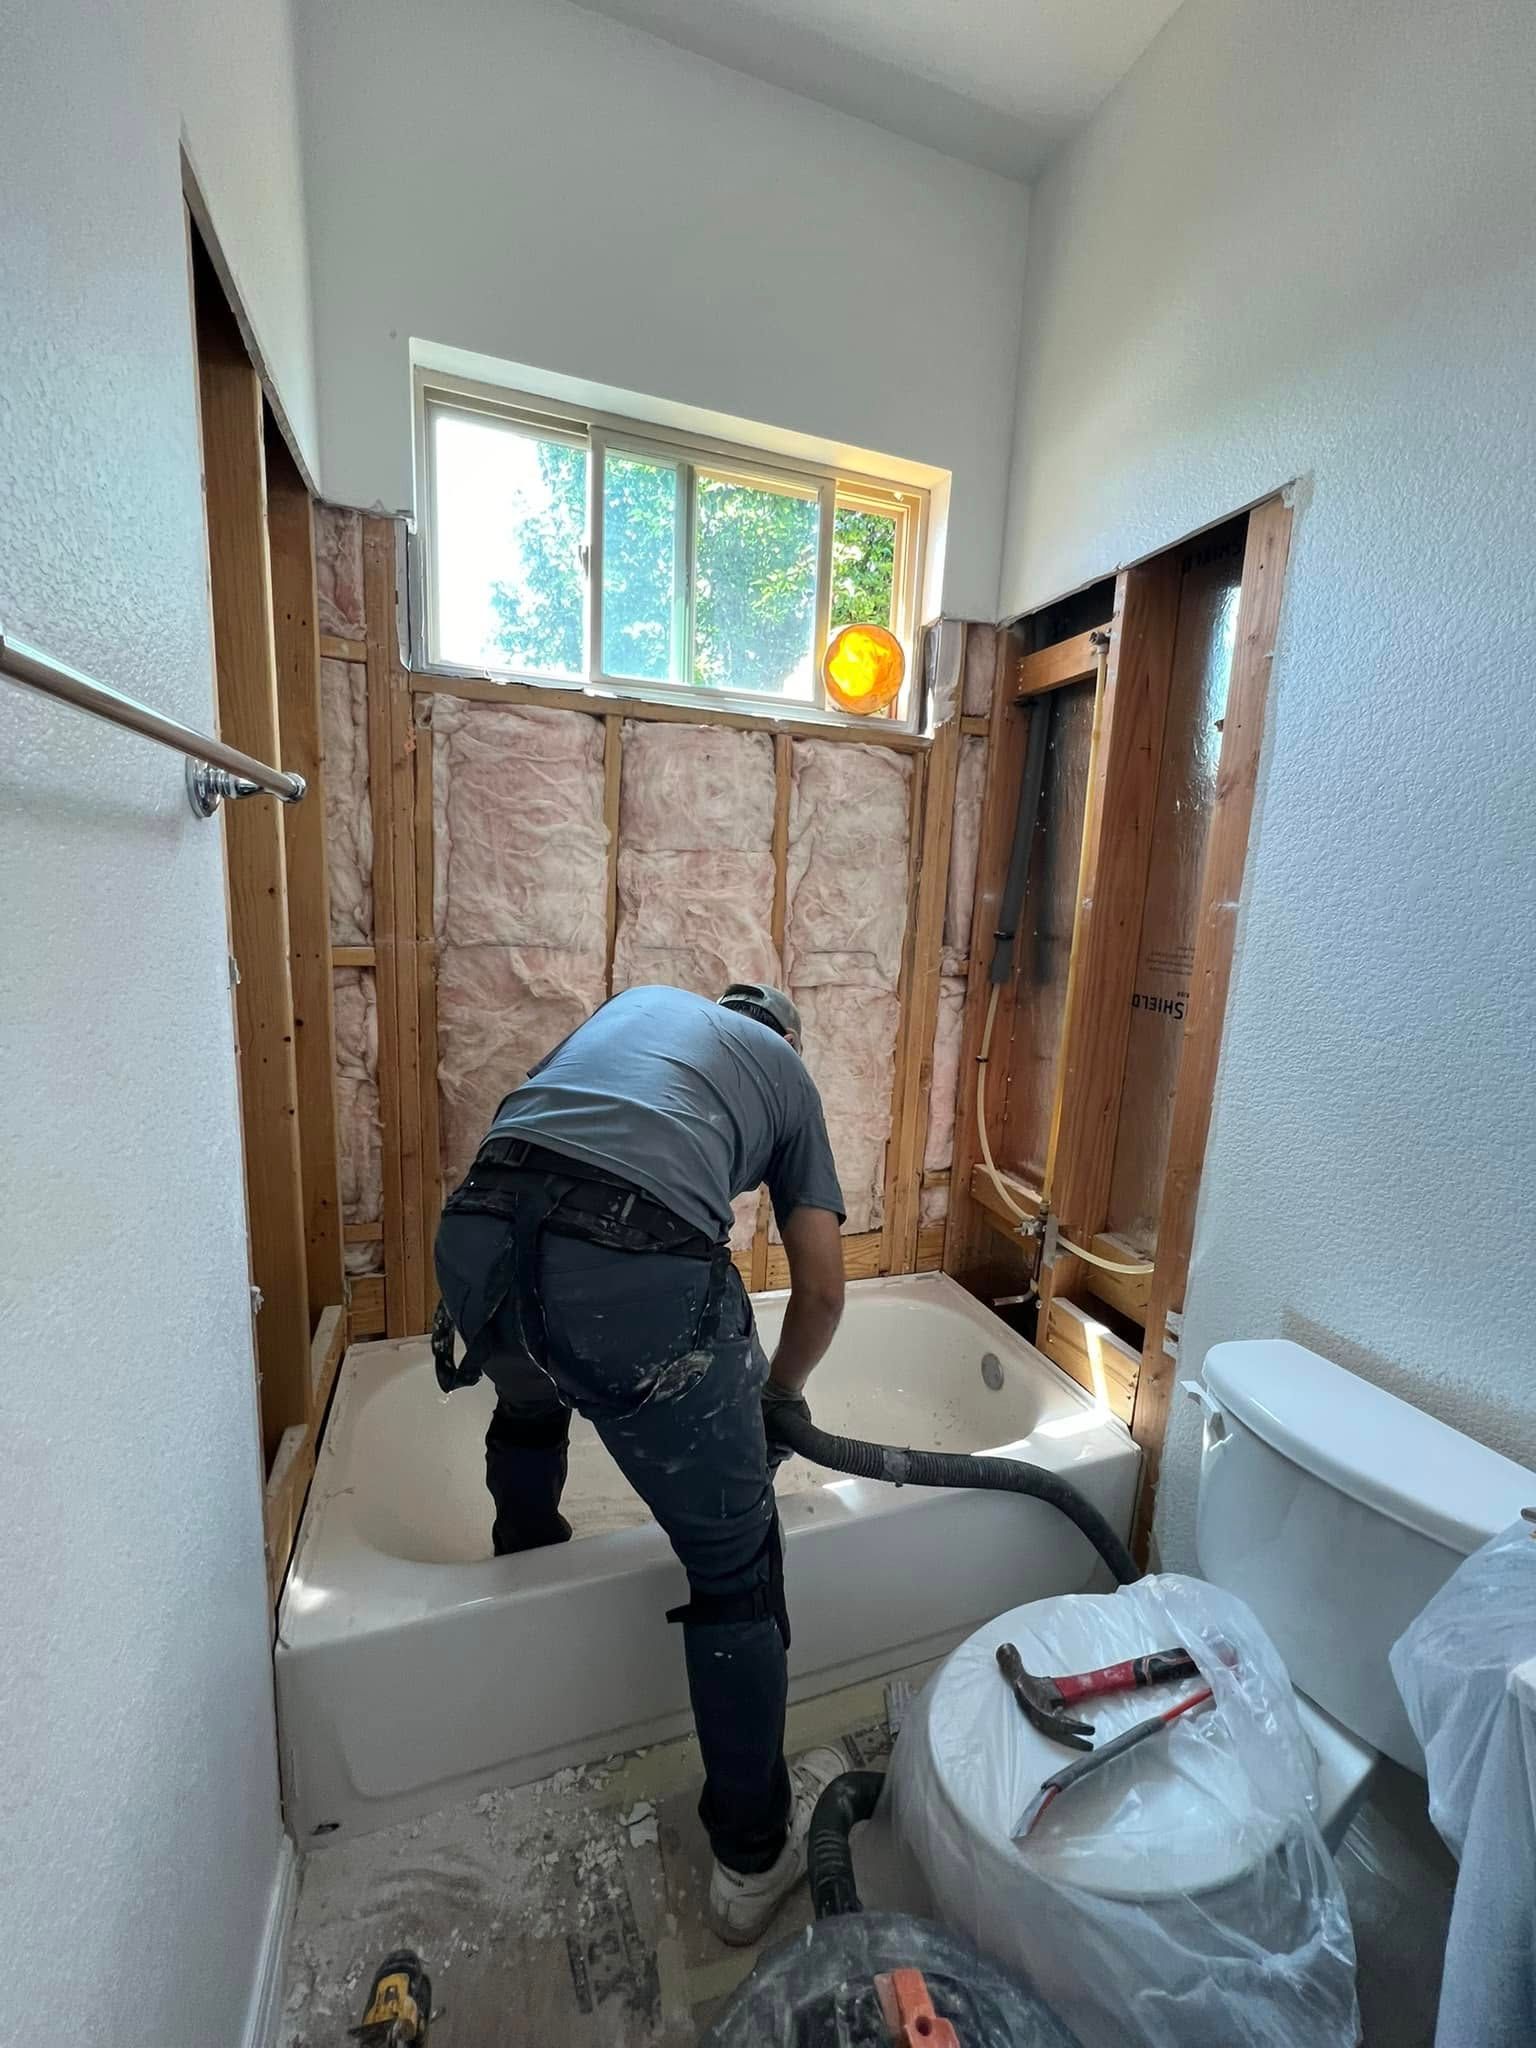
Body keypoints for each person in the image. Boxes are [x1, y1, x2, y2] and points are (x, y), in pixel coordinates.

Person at [432, 981, 849, 1944]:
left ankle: (528, 1593)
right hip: (630, 1261)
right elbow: (822, 1294)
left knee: (530, 1396)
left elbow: (522, 1127)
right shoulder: (784, 1071)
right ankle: (751, 1860)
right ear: (784, 1037)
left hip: (480, 1234)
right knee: (737, 1564)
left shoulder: (639, 1007)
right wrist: (776, 1400)